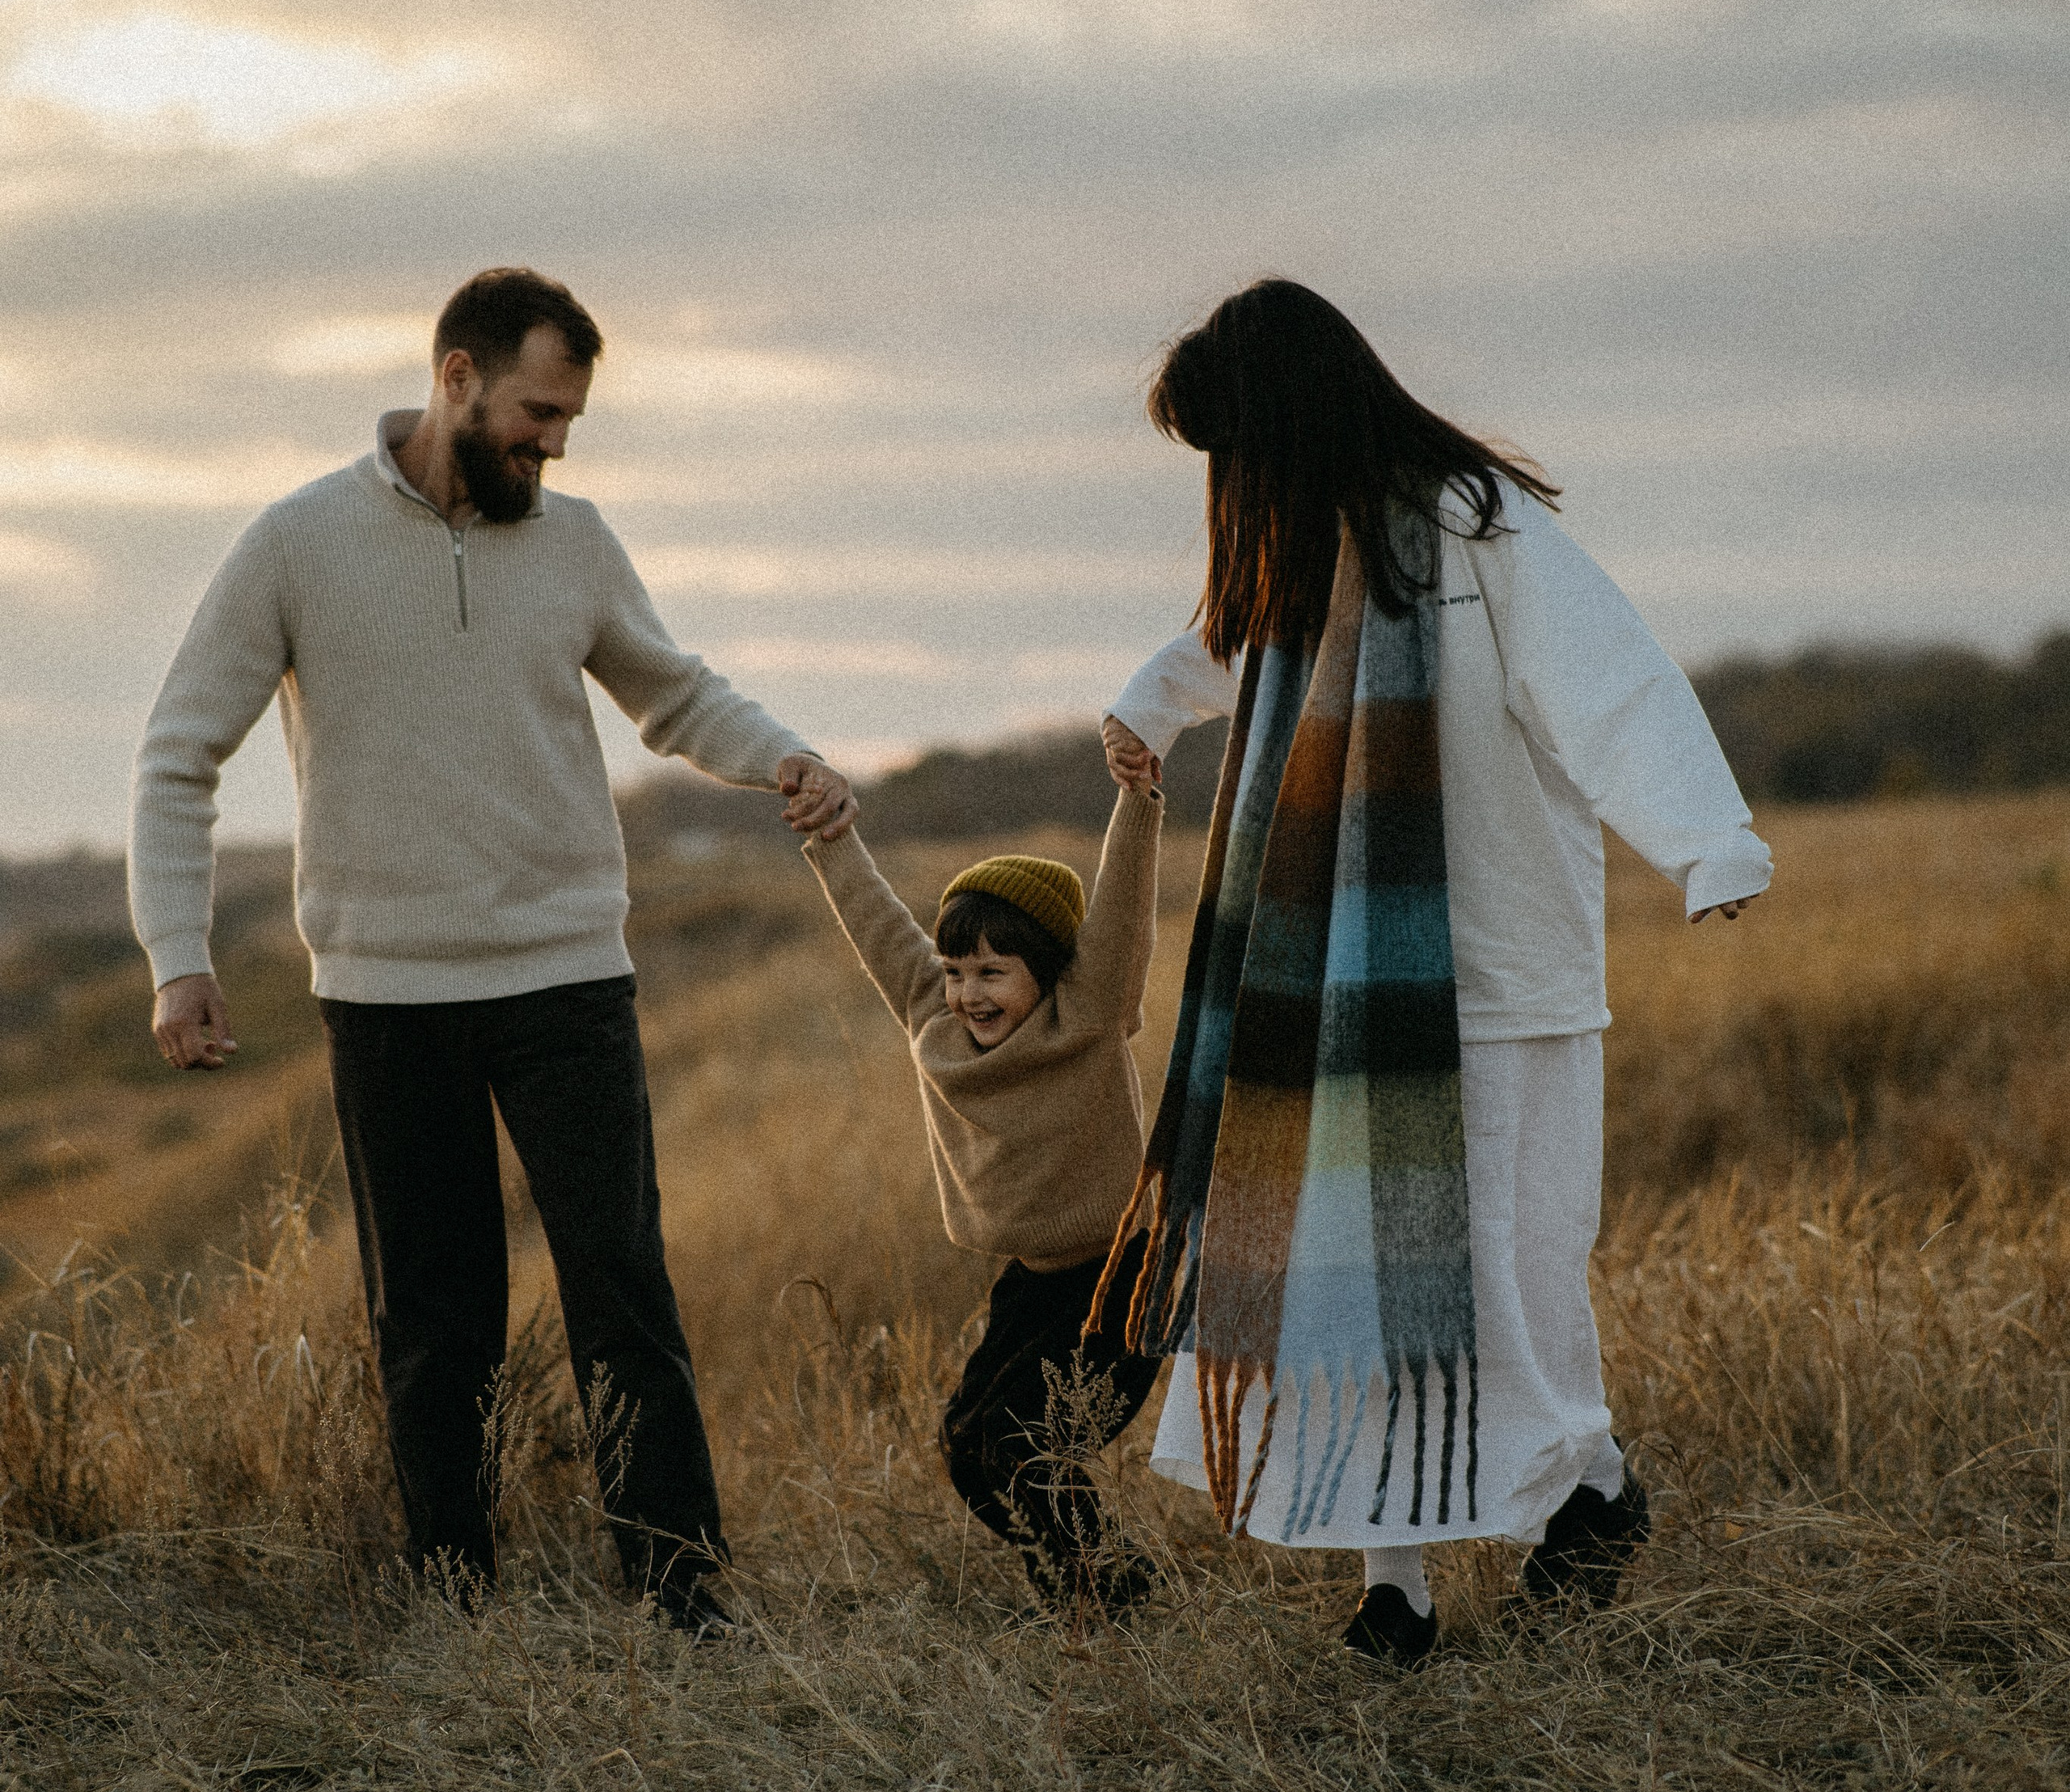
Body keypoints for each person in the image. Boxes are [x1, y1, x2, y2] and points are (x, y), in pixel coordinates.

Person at [129, 266, 854, 1633]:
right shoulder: (296, 542)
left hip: (567, 976)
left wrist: (787, 758)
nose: (554, 444)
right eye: (537, 413)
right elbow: (178, 754)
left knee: (623, 1292)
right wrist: (179, 952)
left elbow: (676, 693)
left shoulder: (575, 542)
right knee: (433, 1317)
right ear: (456, 378)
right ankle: (456, 1599)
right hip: (387, 994)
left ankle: (682, 1594)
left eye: (568, 419)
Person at [1095, 277, 1770, 1668]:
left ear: (1292, 417)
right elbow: (1231, 642)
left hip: (1499, 981)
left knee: (1508, 1277)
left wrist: (1709, 842)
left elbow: (1611, 682)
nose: (1231, 481)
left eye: (1237, 447)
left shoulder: (1477, 523)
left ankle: (1589, 1491)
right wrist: (1150, 709)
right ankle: (1393, 1588)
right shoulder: (1300, 545)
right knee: (1347, 1286)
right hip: (1334, 994)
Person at [802, 775, 1167, 1613]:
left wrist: (1137, 794)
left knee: (1022, 1445)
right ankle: (1105, 1582)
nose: (970, 992)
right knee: (967, 1447)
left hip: (1122, 1278)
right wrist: (830, 838)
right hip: (1032, 1283)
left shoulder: (1089, 1017)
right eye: (956, 971)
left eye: (993, 972)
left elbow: (1121, 910)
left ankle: (1100, 1599)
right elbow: (880, 927)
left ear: (1053, 972)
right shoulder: (938, 1024)